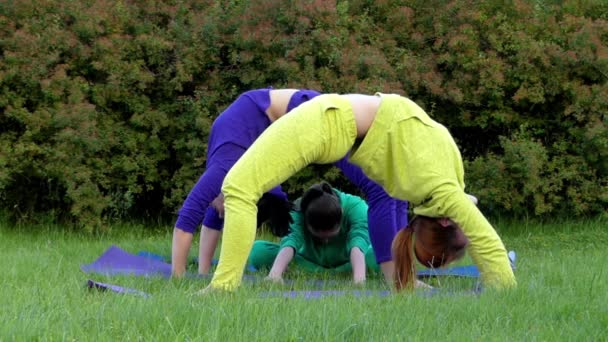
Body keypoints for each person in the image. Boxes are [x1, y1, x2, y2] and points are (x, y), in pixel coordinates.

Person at [205, 93, 517, 292]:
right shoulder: (443, 190)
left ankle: (223, 287)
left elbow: (470, 219)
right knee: (239, 187)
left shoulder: (445, 184)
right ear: (444, 222)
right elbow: (483, 238)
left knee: (239, 187)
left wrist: (464, 209)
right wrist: (502, 285)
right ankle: (223, 287)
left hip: (334, 120)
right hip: (327, 120)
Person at [172, 88, 408, 283]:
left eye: (223, 210)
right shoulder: (229, 174)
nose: (220, 213)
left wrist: (178, 276)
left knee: (383, 187)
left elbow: (187, 220)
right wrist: (202, 273)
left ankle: (399, 278)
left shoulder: (221, 170)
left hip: (309, 114)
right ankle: (400, 277)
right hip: (277, 120)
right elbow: (213, 218)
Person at [248, 182, 377, 284]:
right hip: (307, 261)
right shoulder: (298, 210)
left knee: (382, 255)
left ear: (341, 214)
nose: (326, 241)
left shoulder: (357, 207)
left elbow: (358, 241)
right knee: (257, 250)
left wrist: (359, 280)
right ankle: (343, 274)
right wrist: (275, 275)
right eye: (319, 238)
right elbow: (291, 239)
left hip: (349, 262)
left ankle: (351, 272)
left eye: (330, 236)